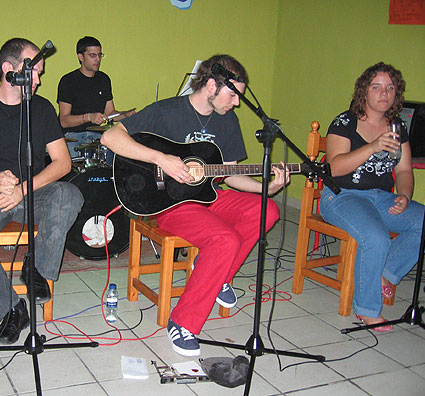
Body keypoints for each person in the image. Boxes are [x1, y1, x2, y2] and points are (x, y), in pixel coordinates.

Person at [100, 54, 289, 356]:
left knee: (268, 210)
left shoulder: (227, 119)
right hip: (170, 202)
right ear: (211, 85)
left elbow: (230, 173)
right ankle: (183, 323)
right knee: (225, 239)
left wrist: (267, 188)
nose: (236, 103)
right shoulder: (167, 110)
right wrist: (160, 158)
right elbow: (111, 137)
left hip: (209, 196)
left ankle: (218, 275)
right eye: (232, 95)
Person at [0, 38, 83, 344]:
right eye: (34, 73)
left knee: (69, 195)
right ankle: (10, 310)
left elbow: (62, 163)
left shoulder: (42, 108)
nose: (38, 80)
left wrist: (22, 190)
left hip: (32, 192)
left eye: (40, 74)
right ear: (9, 70)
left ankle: (35, 268)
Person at [320, 62, 425, 332]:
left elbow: (403, 169)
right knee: (376, 237)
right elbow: (334, 168)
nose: (384, 93)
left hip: (381, 198)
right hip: (341, 196)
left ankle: (384, 274)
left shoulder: (397, 126)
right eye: (376, 87)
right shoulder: (345, 121)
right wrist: (373, 146)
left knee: (424, 222)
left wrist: (404, 195)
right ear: (364, 91)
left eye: (390, 88)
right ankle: (367, 311)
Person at [57, 36, 135, 158]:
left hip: (98, 138)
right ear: (80, 57)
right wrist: (89, 117)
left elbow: (110, 113)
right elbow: (64, 121)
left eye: (99, 55)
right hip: (74, 137)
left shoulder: (103, 79)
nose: (98, 59)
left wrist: (125, 115)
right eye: (93, 55)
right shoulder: (68, 81)